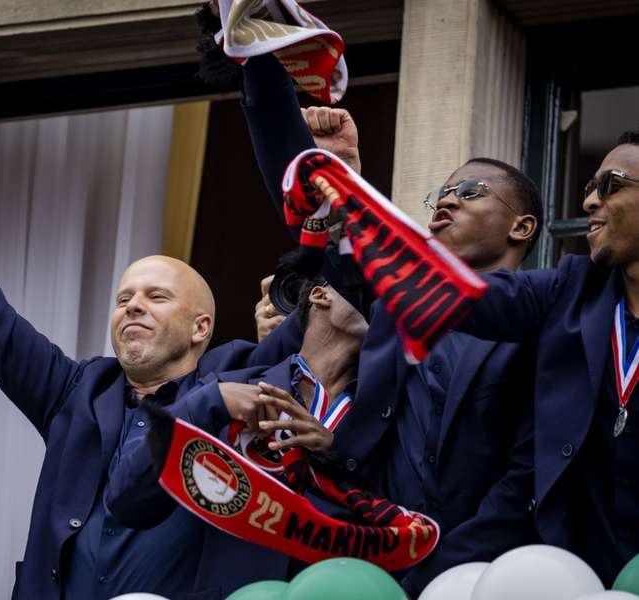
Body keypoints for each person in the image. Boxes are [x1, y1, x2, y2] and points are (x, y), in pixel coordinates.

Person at [0, 102, 302, 599]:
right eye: (123, 299)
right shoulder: (75, 391)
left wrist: (286, 331)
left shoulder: (234, 381)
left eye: (156, 297)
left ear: (200, 327)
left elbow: (325, 342)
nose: (133, 307)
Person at [241, 52, 542, 594]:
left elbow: (528, 474)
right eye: (439, 194)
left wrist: (442, 567)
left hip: (488, 577)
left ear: (522, 226)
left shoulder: (545, 319)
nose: (445, 200)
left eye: (469, 191)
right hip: (369, 570)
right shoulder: (389, 309)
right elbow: (309, 206)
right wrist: (261, 63)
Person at [435, 128, 639, 585]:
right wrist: (347, 216)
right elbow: (468, 297)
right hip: (571, 581)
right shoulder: (570, 289)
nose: (589, 203)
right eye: (589, 189)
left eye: (611, 184)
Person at [104, 275, 370, 592]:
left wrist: (334, 455)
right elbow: (126, 498)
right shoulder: (227, 387)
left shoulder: (381, 417)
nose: (386, 303)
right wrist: (212, 402)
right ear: (320, 295)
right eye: (371, 287)